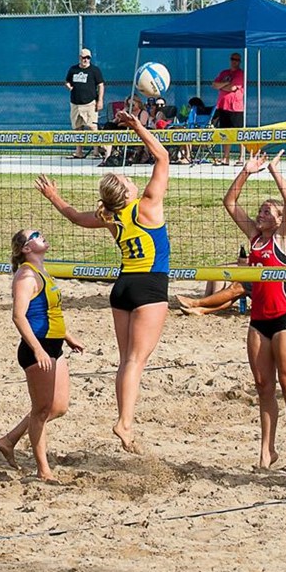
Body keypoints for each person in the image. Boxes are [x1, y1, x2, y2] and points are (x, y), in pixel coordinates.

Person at [34, 107, 170, 454]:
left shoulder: (110, 215)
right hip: (149, 286)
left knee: (127, 361)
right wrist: (138, 126)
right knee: (135, 362)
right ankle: (124, 422)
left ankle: (126, 422)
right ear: (126, 192)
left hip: (122, 288)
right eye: (126, 179)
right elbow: (162, 156)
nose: (130, 178)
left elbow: (76, 217)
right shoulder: (147, 205)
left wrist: (54, 197)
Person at [222, 151, 286, 471]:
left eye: (266, 211)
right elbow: (229, 202)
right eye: (260, 210)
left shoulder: (285, 239)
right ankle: (266, 452)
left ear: (279, 219)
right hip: (258, 321)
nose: (261, 214)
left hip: (285, 319)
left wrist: (273, 171)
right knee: (263, 387)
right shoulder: (255, 238)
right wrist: (246, 171)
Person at [0, 227, 85, 480]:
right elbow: (18, 316)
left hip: (54, 345)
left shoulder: (42, 271)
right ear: (26, 248)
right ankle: (43, 470)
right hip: (37, 348)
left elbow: (49, 311)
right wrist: (37, 350)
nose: (42, 235)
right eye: (35, 235)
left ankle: (9, 440)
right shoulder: (26, 276)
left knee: (59, 407)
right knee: (41, 411)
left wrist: (67, 336)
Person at [65, 48, 105, 159]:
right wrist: (69, 86)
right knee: (77, 128)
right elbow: (67, 81)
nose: (86, 60)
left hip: (90, 103)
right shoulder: (73, 69)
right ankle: (79, 152)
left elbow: (101, 85)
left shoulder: (94, 70)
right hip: (75, 103)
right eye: (84, 57)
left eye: (88, 58)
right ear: (80, 58)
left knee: (92, 127)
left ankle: (96, 152)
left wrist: (100, 100)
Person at [212, 52, 247, 163]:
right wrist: (225, 84)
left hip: (235, 107)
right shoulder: (224, 73)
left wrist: (221, 86)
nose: (234, 61)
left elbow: (232, 88)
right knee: (225, 133)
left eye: (236, 60)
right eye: (232, 59)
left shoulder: (240, 74)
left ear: (239, 62)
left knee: (239, 133)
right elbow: (214, 85)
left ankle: (241, 157)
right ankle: (226, 157)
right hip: (223, 106)